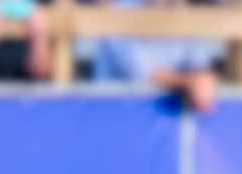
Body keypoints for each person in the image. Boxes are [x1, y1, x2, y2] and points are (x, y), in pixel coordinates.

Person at [91, 0, 219, 113]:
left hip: (151, 121)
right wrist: (188, 83)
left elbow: (200, 64)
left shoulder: (180, 12)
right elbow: (139, 73)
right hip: (112, 118)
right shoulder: (121, 10)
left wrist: (204, 80)